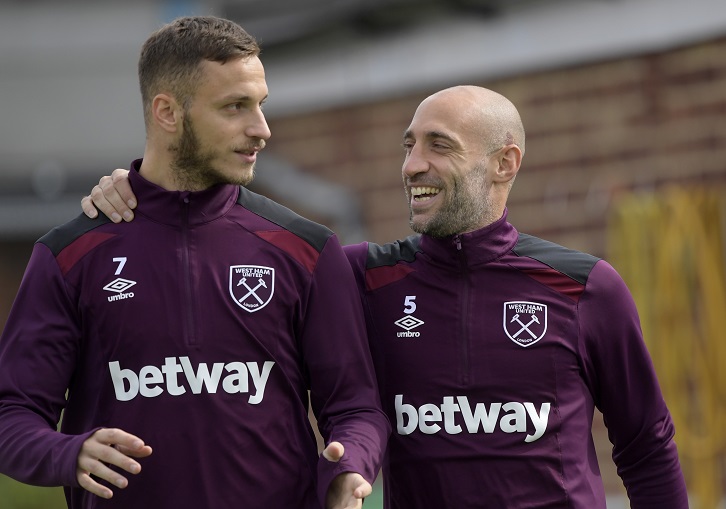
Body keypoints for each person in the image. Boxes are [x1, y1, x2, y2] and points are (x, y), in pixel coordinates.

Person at [80, 86, 689, 508]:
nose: (411, 165)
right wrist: (142, 193)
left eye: (439, 146)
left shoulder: (584, 286)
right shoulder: (358, 278)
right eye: (408, 144)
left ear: (505, 163)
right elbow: (220, 254)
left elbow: (646, 446)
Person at [0, 16, 389, 509]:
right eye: (235, 107)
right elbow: (10, 415)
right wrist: (67, 454)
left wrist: (349, 464)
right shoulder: (70, 254)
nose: (261, 129)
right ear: (167, 111)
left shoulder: (306, 248)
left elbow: (357, 408)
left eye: (260, 106)